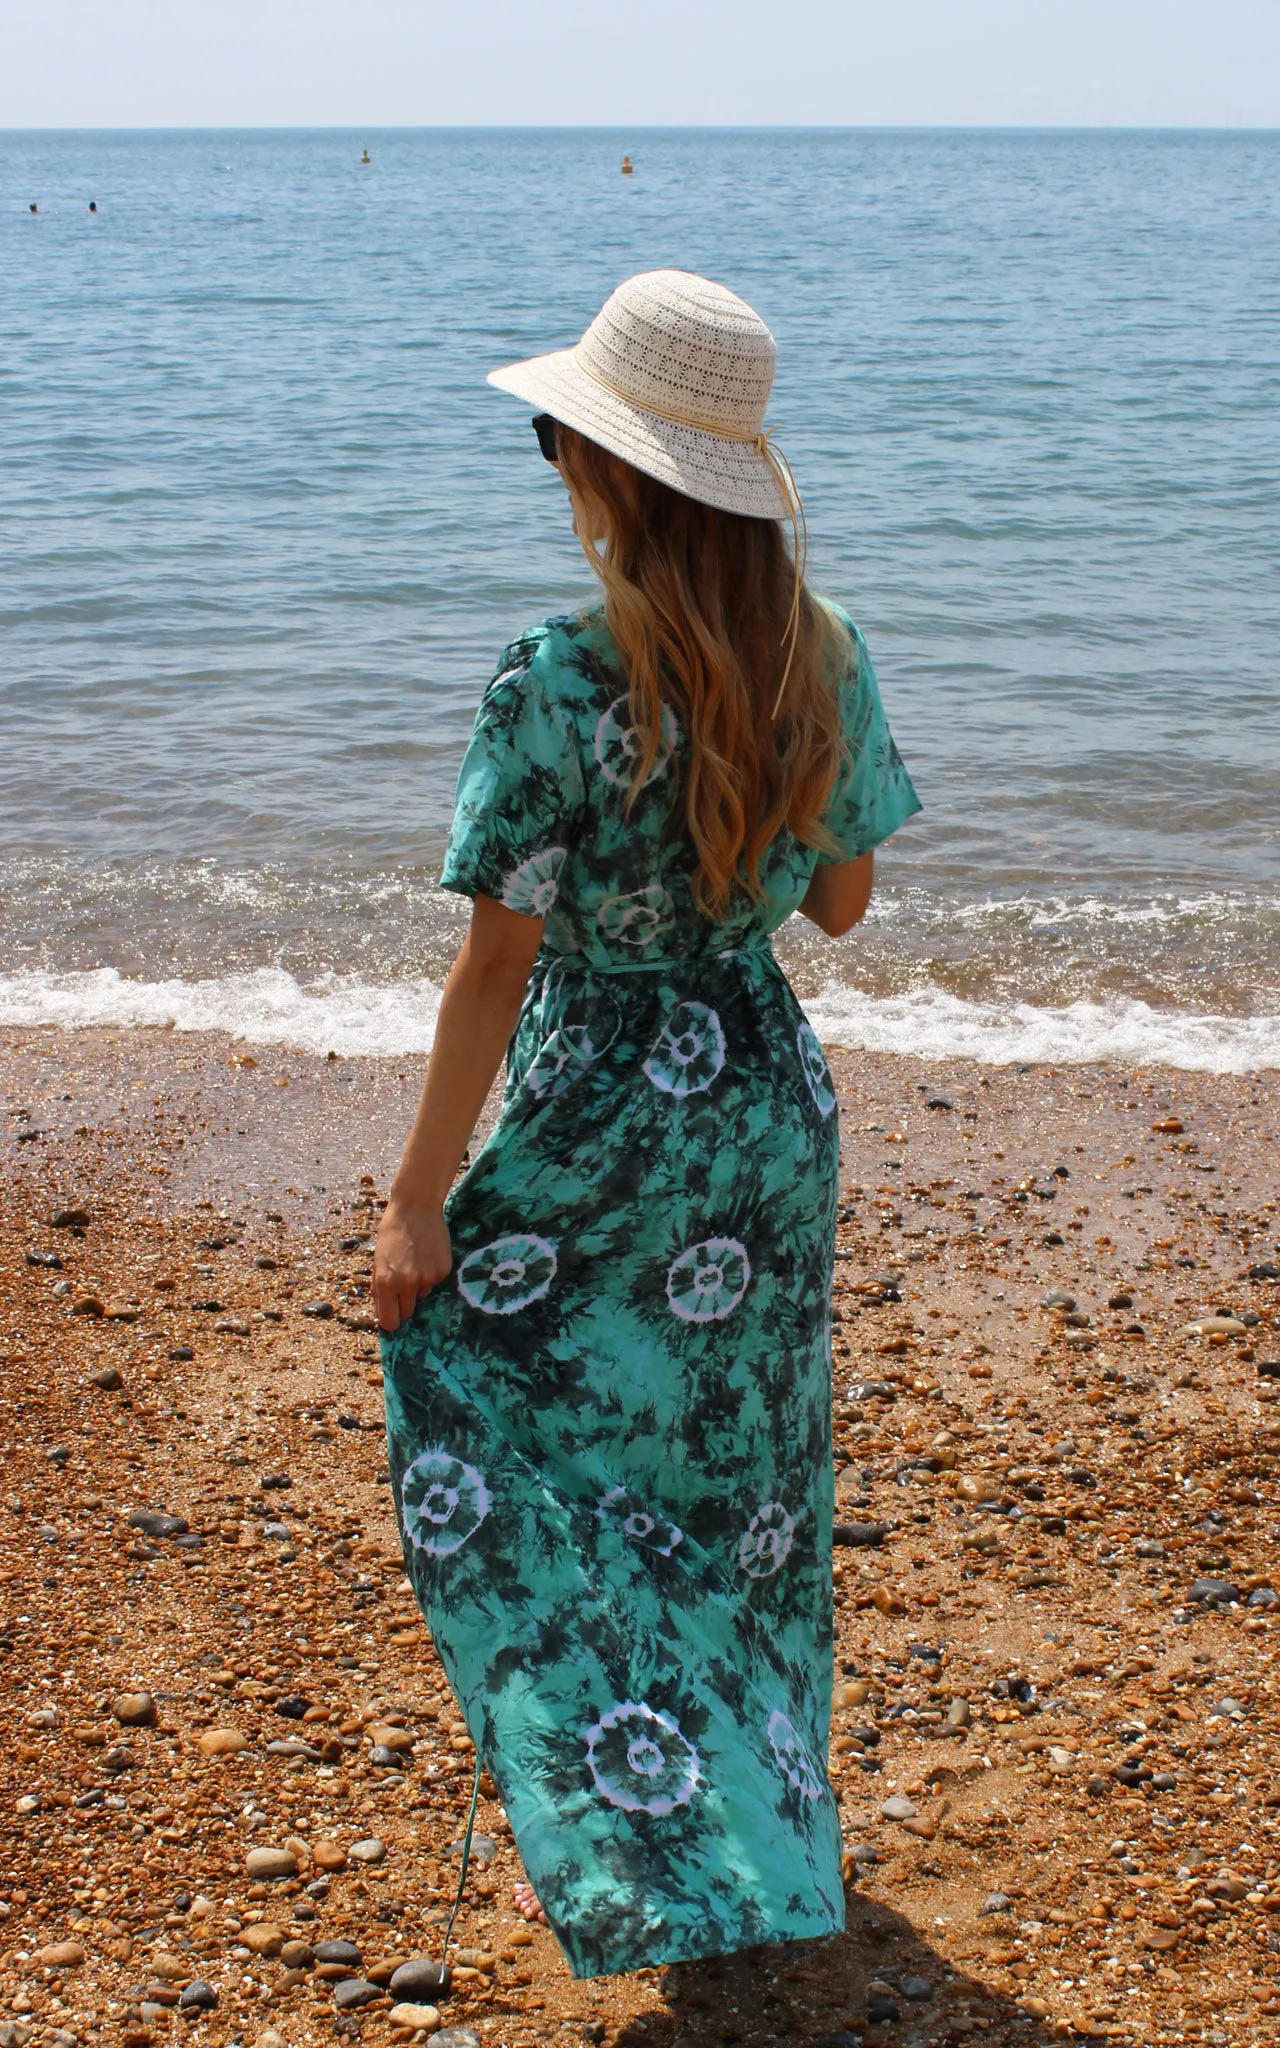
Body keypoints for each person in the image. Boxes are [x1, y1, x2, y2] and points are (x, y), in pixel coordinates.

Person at [373, 269, 920, 1979]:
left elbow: (489, 974)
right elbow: (838, 910)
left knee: (549, 1437)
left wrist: (416, 1206)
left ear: (618, 474)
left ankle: (659, 1825)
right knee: (752, 1478)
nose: (553, 465)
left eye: (562, 441)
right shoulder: (822, 656)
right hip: (760, 1108)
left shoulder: (549, 682)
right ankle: (765, 1820)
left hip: (602, 1103)